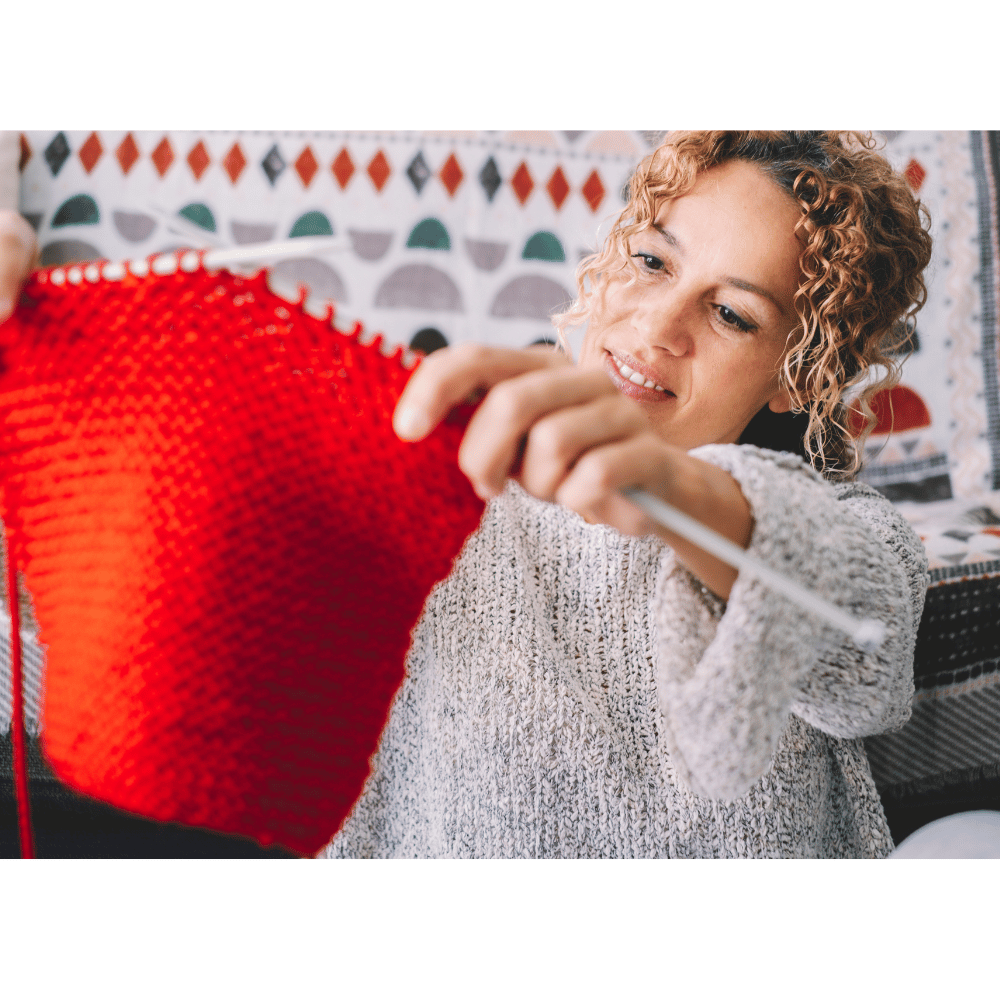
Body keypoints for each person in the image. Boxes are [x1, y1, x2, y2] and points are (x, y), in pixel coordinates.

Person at [322, 131, 934, 858]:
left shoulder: (848, 533)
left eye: (732, 314)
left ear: (795, 376)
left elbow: (867, 646)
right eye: (651, 262)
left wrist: (669, 486)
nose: (656, 327)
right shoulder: (435, 484)